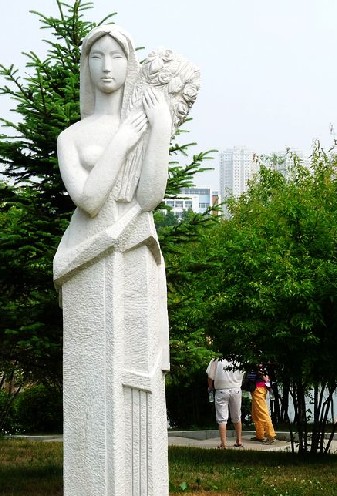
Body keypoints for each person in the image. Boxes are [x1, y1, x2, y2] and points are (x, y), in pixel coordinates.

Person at [53, 24, 198, 494]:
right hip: (89, 255)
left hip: (134, 248)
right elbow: (89, 199)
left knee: (137, 374)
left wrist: (160, 131)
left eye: (116, 56)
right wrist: (122, 141)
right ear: (86, 66)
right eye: (97, 56)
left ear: (130, 63)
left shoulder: (145, 118)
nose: (107, 66)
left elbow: (149, 196)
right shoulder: (71, 137)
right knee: (94, 376)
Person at [206, 358, 244, 449]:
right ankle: (239, 441)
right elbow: (243, 373)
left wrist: (210, 387)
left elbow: (210, 376)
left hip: (221, 390)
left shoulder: (216, 360)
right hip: (236, 389)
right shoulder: (238, 359)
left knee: (222, 419)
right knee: (237, 416)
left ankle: (223, 443)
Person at [250, 363, 277, 444]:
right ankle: (260, 435)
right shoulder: (262, 363)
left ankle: (271, 436)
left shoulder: (260, 364)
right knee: (256, 413)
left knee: (262, 413)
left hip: (259, 389)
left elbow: (265, 376)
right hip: (258, 388)